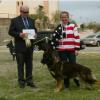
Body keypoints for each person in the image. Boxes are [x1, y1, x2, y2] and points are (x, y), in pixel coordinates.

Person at [8, 5, 37, 88]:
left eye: (27, 12)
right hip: (20, 47)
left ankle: (29, 80)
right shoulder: (14, 20)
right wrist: (19, 34)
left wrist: (35, 35)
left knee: (29, 65)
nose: (26, 14)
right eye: (24, 12)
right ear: (20, 12)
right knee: (20, 65)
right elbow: (10, 32)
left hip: (29, 47)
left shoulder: (31, 20)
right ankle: (21, 82)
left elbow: (35, 30)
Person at [51, 11, 80, 88]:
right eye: (62, 17)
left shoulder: (73, 26)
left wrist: (76, 49)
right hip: (62, 51)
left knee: (73, 66)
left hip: (71, 50)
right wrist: (57, 41)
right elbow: (54, 39)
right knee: (64, 68)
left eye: (65, 17)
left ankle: (76, 80)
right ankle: (66, 84)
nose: (64, 19)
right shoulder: (58, 27)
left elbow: (77, 38)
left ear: (68, 17)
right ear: (60, 18)